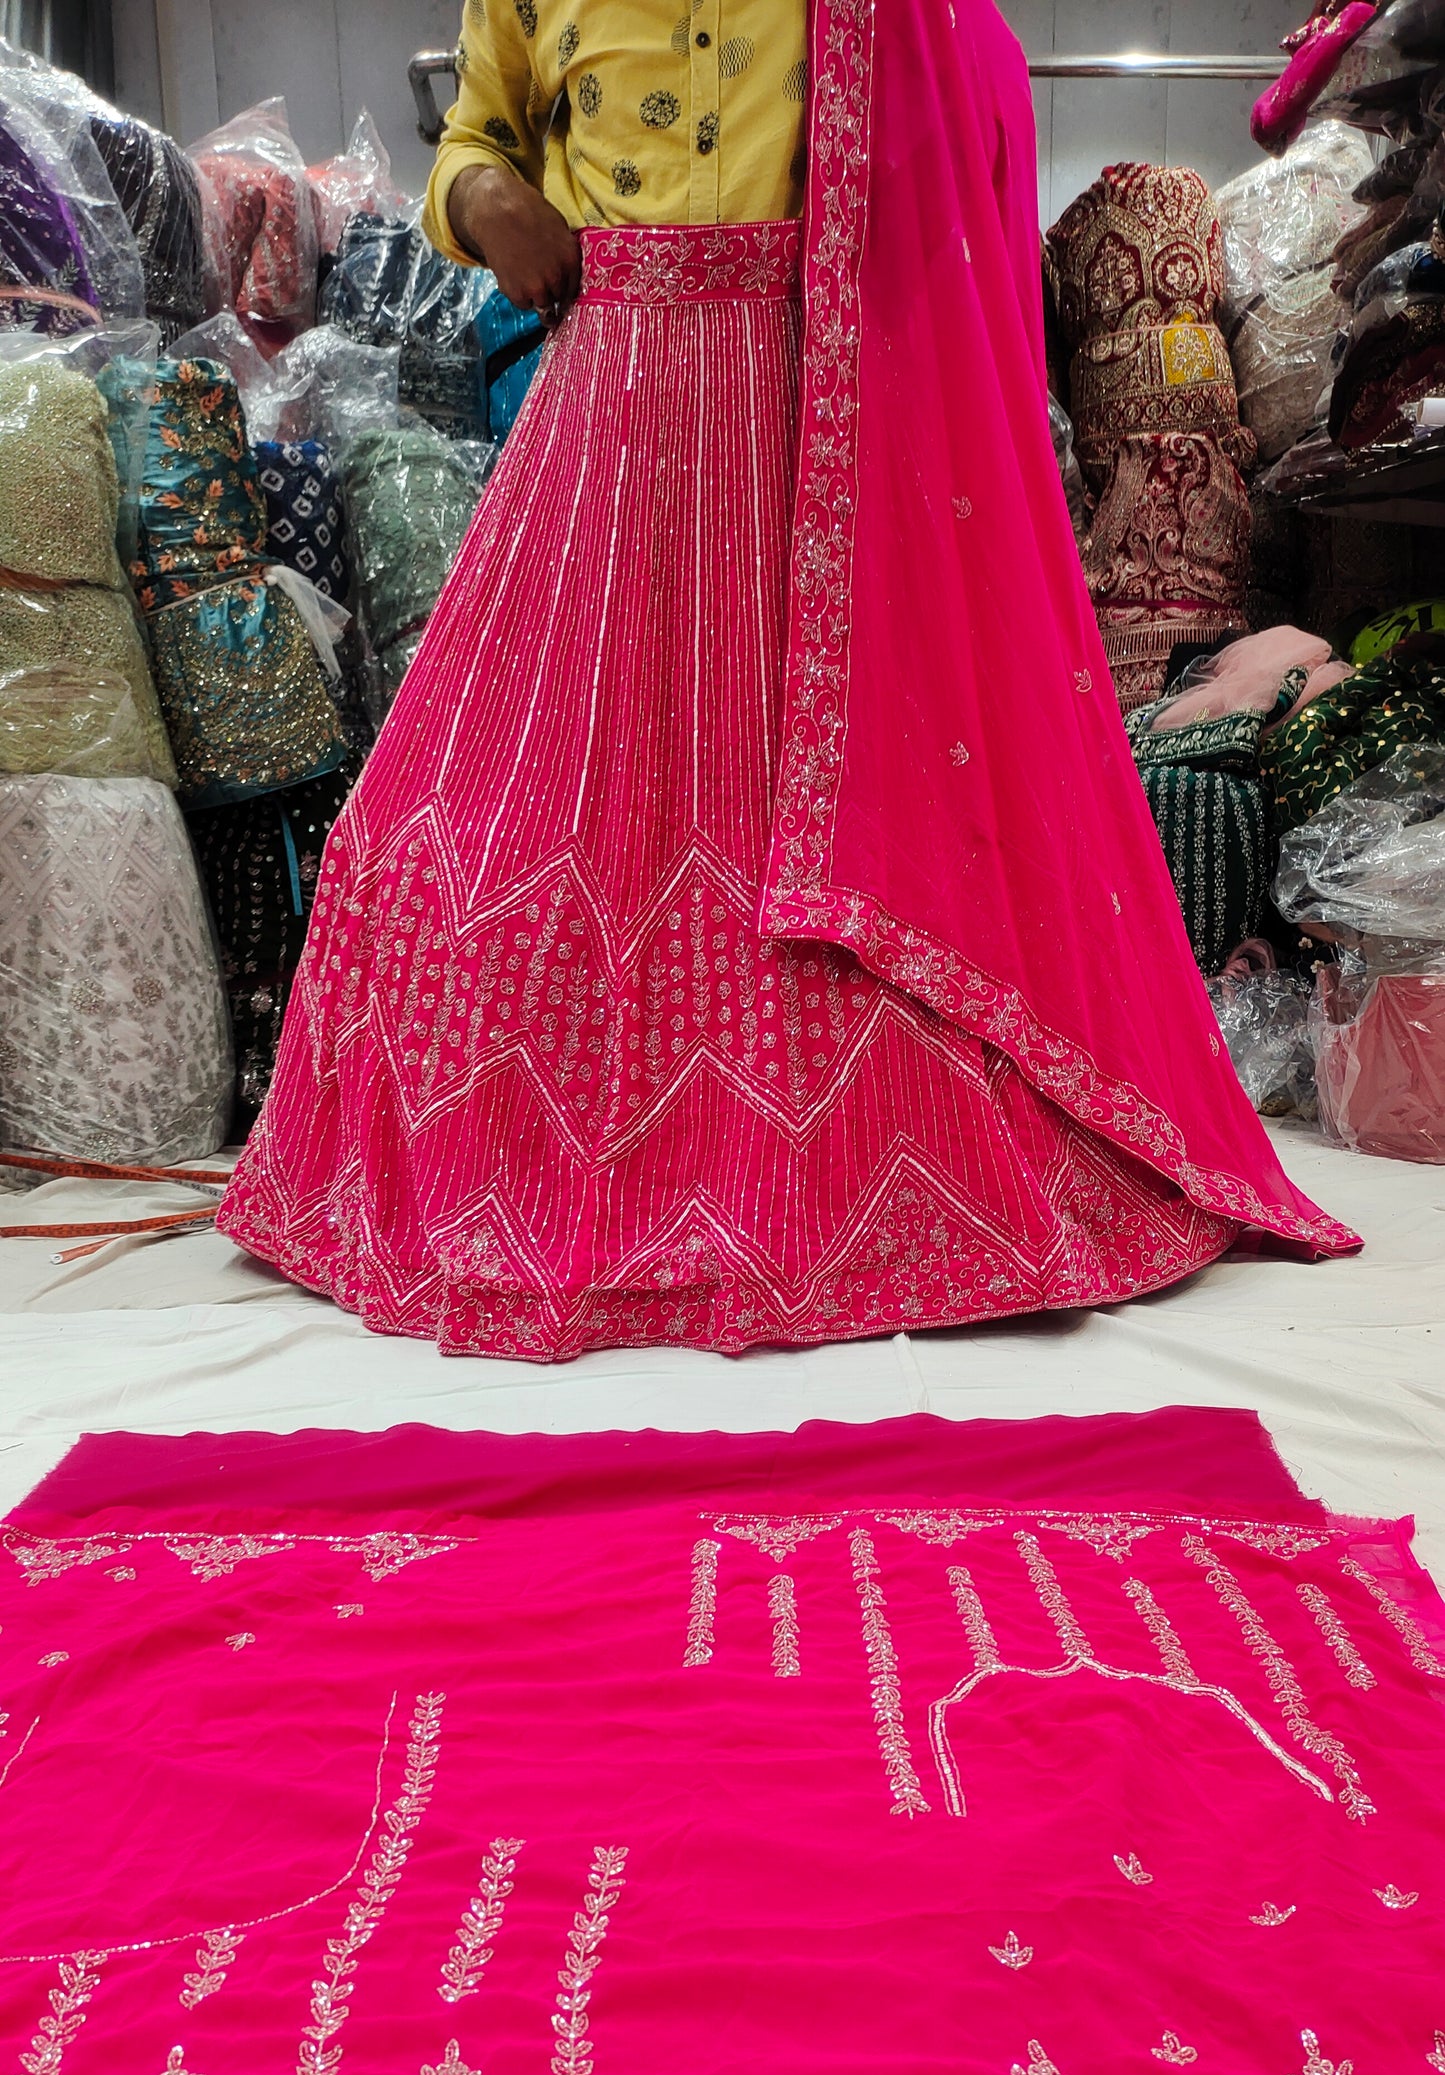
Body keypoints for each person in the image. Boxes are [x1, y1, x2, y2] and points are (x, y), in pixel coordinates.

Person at [217, 0, 1358, 1359]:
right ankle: (541, 1175)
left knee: (840, 809)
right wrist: (480, 197)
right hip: (610, 419)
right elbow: (477, 134)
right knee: (536, 805)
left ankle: (839, 1178)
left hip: (816, 417)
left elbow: (970, 88)